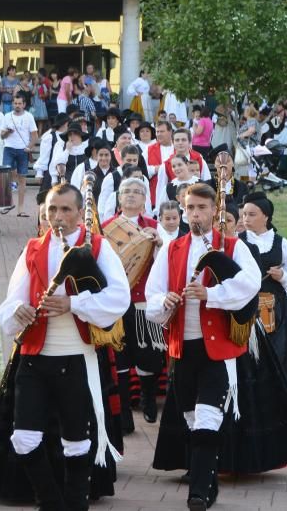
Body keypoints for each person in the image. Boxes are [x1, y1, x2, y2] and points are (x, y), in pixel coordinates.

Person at [0, 182, 130, 510]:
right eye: (52, 209)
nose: (58, 216)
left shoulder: (97, 247)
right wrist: (18, 311)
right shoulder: (33, 248)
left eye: (66, 209)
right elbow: (11, 302)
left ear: (80, 212)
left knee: (76, 440)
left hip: (78, 356)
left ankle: (75, 502)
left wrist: (73, 304)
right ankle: (51, 501)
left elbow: (118, 297)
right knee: (24, 439)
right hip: (34, 356)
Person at [145, 183, 261, 509]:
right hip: (183, 349)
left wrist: (212, 295)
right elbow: (152, 294)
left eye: (201, 208)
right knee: (194, 422)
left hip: (218, 351)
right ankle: (208, 486)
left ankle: (196, 494)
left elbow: (250, 285)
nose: (195, 213)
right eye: (190, 208)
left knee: (209, 420)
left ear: (214, 210)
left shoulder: (232, 246)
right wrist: (164, 301)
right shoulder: (172, 249)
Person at [101, 177, 163, 432]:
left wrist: (159, 244)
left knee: (151, 356)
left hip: (142, 302)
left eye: (137, 192)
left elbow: (166, 264)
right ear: (118, 197)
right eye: (126, 191)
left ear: (145, 199)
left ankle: (148, 396)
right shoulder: (105, 227)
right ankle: (124, 412)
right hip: (116, 303)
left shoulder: (154, 226)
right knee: (120, 358)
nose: (131, 195)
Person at [238, 191, 287, 377]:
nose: (246, 219)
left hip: (275, 313)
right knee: (246, 362)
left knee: (275, 360)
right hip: (245, 312)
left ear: (266, 216)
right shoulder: (237, 242)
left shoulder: (283, 245)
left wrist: (282, 276)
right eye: (244, 214)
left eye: (252, 214)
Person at [1, 93, 38, 216]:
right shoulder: (7, 116)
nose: (17, 105)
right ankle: (8, 203)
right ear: (13, 103)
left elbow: (34, 136)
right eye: (15, 103)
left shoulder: (29, 117)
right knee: (6, 175)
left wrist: (30, 147)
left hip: (23, 150)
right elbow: (2, 136)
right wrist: (7, 132)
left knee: (22, 179)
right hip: (9, 148)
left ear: (24, 104)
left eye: (19, 103)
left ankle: (21, 209)